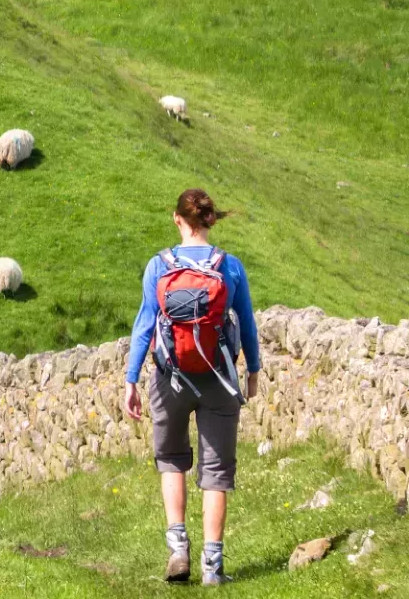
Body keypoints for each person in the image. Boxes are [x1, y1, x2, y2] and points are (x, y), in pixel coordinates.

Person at [121, 188, 260, 586]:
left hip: (170, 379)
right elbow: (247, 322)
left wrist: (131, 379)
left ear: (177, 220)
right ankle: (212, 568)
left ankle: (178, 550)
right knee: (216, 471)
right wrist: (252, 371)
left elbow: (144, 326)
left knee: (171, 460)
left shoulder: (158, 266)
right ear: (210, 220)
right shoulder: (230, 266)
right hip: (219, 378)